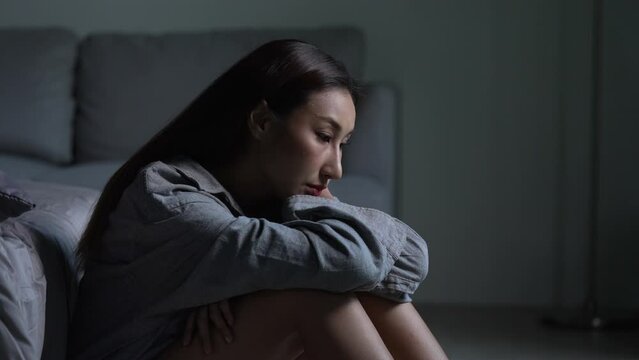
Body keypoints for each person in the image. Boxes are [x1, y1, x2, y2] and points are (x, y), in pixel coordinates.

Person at [68, 39, 448, 360]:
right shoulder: (170, 199)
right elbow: (355, 261)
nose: (336, 169)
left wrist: (237, 282)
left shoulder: (258, 204)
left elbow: (413, 261)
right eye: (323, 136)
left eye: (342, 144)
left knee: (339, 281)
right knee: (317, 292)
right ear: (263, 122)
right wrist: (317, 215)